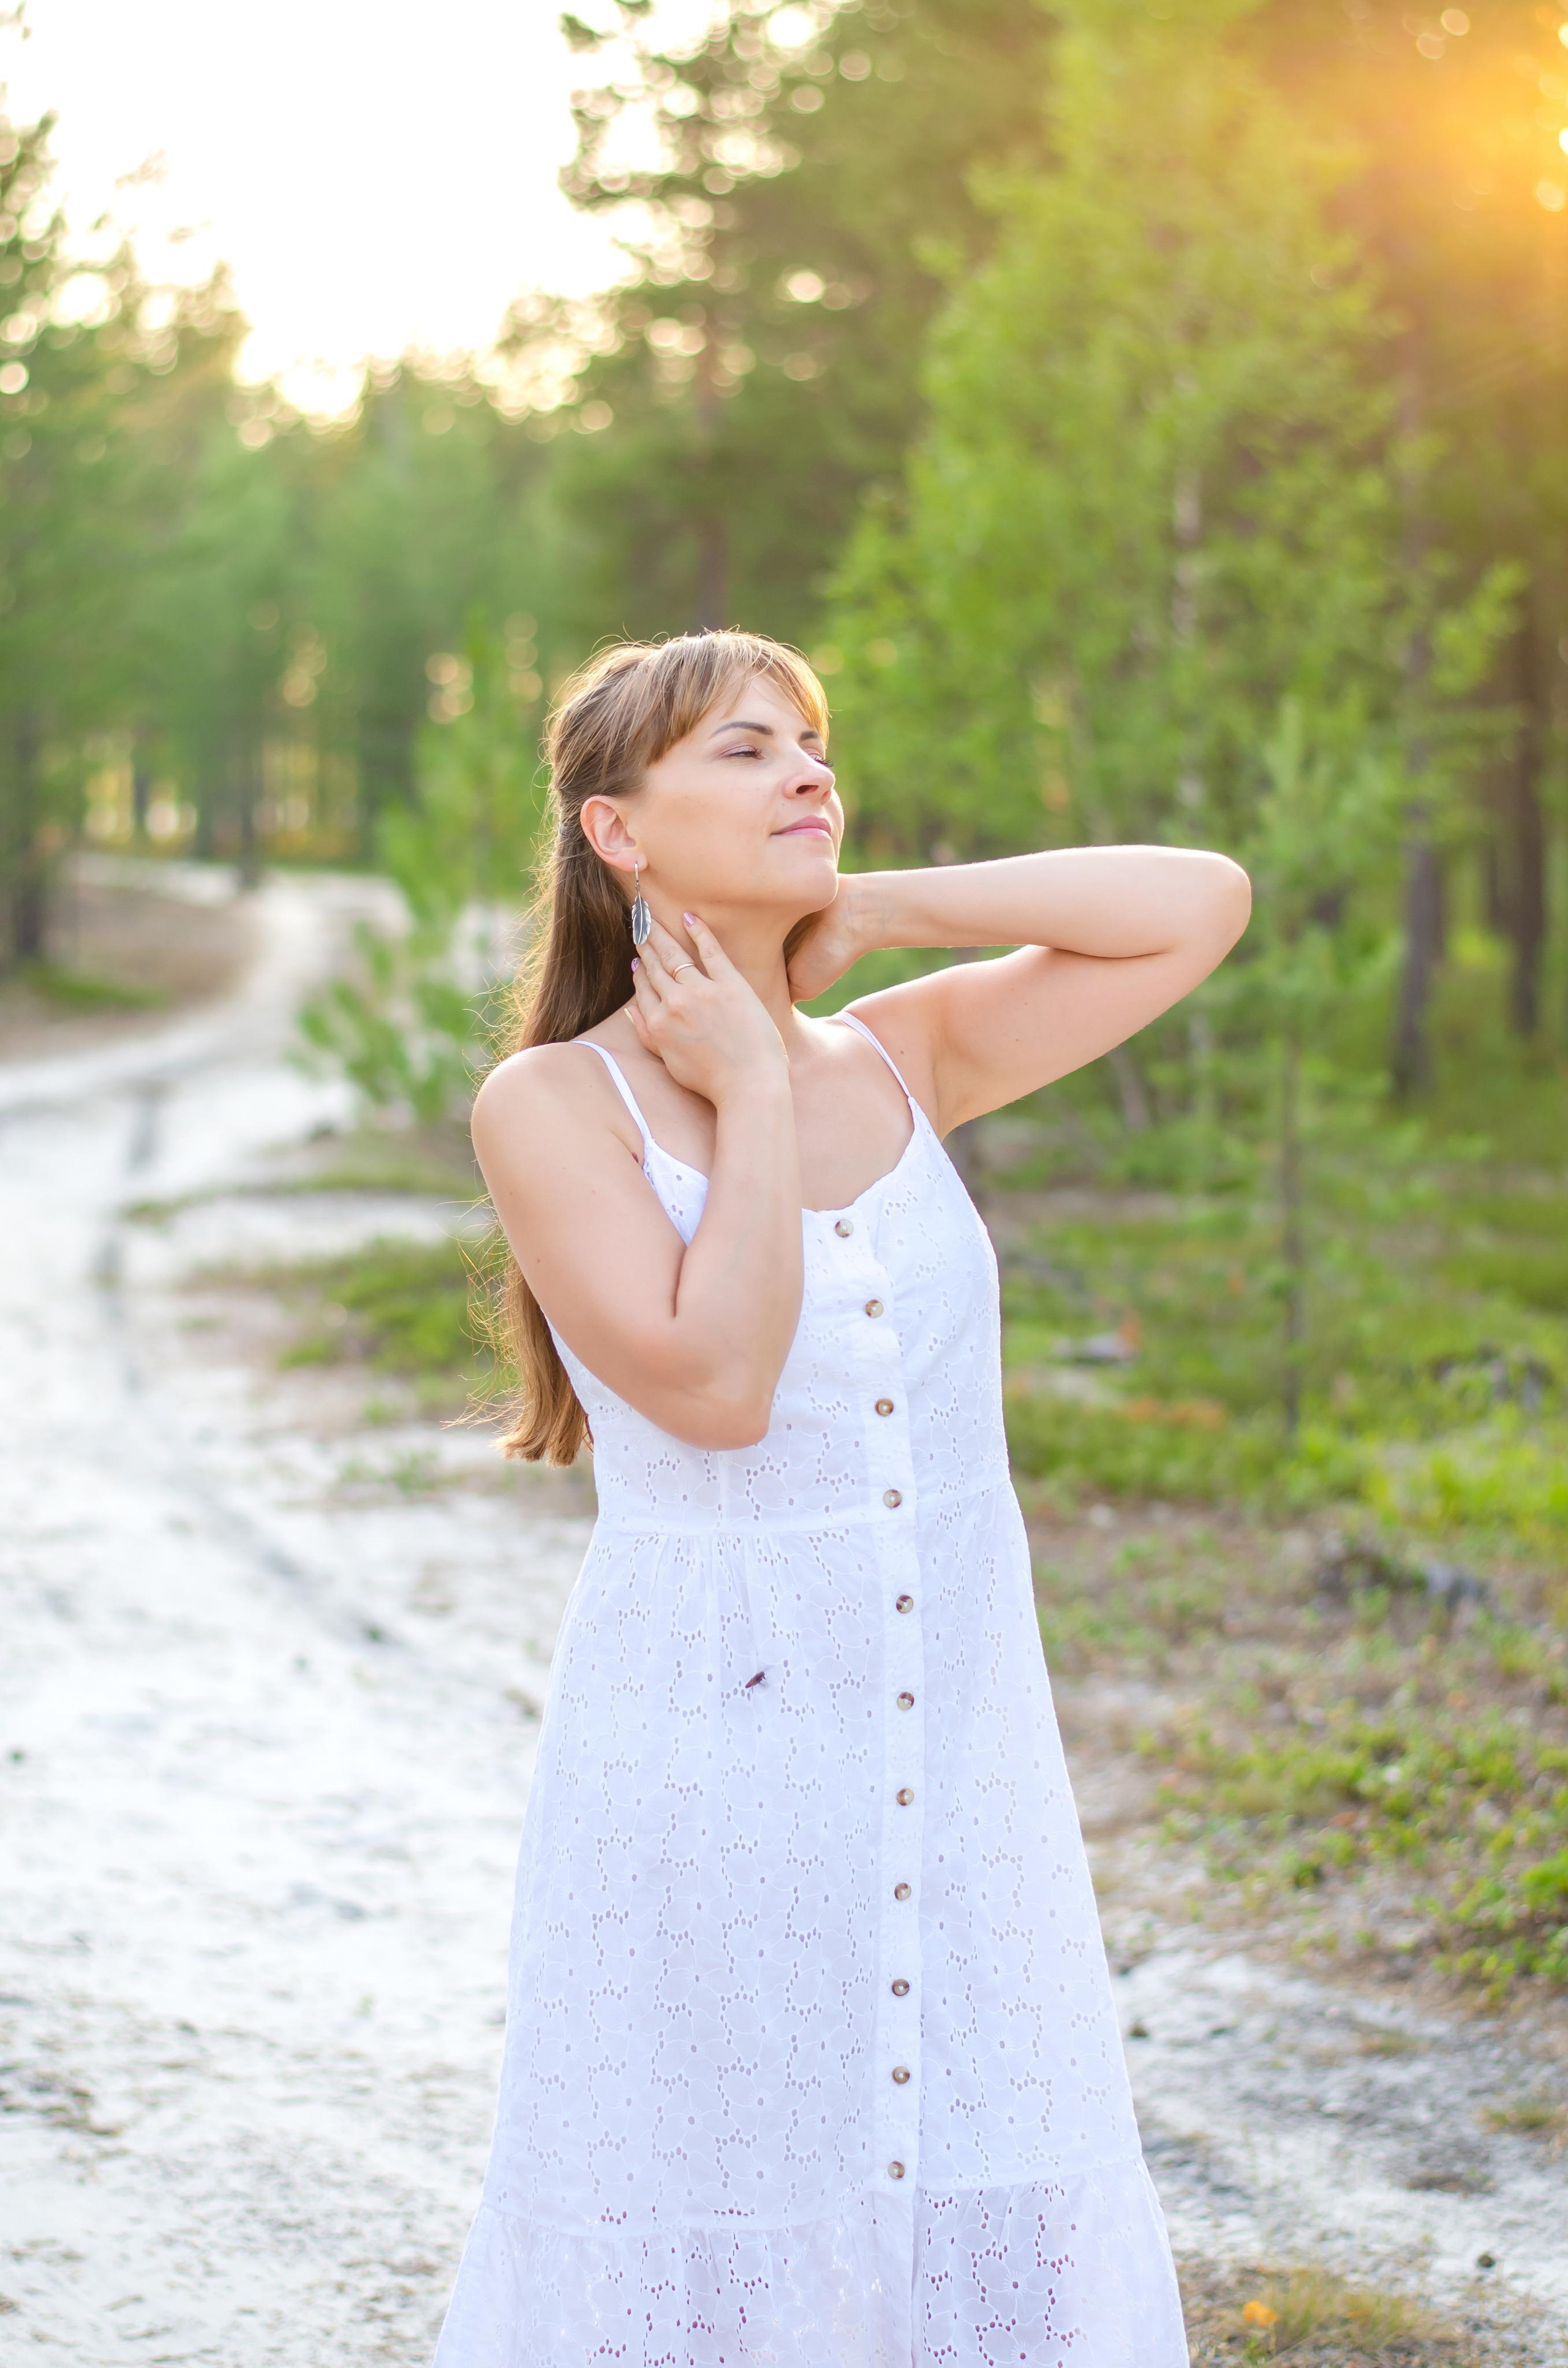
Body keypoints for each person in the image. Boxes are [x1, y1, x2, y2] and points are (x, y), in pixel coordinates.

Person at [432, 629, 1250, 2368]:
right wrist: (740, 1095)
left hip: (955, 1755)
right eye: (745, 753)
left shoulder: (902, 1056)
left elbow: (1198, 898)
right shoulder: (550, 1104)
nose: (807, 771)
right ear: (617, 829)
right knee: (734, 2199)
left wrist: (861, 904)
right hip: (713, 1766)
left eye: (813, 744)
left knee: (979, 2156)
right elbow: (720, 1387)